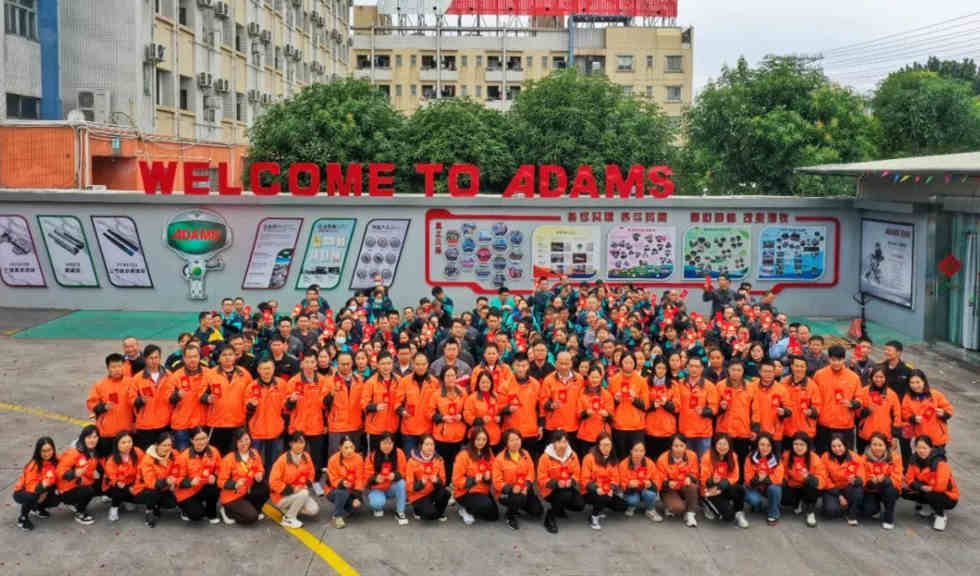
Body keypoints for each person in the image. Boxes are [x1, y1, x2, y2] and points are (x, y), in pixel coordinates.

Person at [286, 354, 331, 496]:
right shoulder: (293, 381)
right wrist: (291, 400)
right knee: (298, 457)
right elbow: (286, 407)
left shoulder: (323, 381)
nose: (310, 365)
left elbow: (326, 406)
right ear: (302, 364)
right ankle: (298, 482)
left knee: (316, 457)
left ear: (316, 364)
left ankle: (316, 482)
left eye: (312, 362)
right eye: (307, 362)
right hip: (299, 426)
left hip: (317, 425)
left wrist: (326, 423)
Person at [902, 435, 959, 531]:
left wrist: (928, 488)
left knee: (932, 494)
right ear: (915, 448)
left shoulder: (940, 462)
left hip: (947, 496)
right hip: (926, 488)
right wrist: (921, 487)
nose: (921, 450)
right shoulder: (913, 459)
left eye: (924, 448)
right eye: (919, 447)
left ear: (931, 448)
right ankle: (928, 506)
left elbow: (941, 486)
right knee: (904, 492)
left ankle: (941, 515)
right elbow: (909, 479)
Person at [204, 344, 253, 454]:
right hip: (217, 423)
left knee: (236, 456)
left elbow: (251, 394)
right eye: (224, 355)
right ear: (219, 358)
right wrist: (207, 398)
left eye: (230, 354)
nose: (227, 357)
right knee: (215, 455)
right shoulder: (210, 374)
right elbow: (201, 394)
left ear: (235, 357)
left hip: (238, 422)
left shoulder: (244, 374)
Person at [813, 345, 862, 453]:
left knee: (846, 456)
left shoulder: (853, 377)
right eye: (833, 360)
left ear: (844, 359)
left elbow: (859, 398)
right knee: (823, 455)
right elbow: (813, 397)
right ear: (828, 359)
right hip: (824, 423)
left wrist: (854, 403)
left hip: (845, 425)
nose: (836, 363)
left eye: (839, 360)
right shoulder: (819, 375)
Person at [492, 429, 544, 530]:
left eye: (517, 439)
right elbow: (497, 482)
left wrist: (526, 486)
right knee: (518, 498)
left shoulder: (525, 454)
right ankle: (510, 515)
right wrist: (511, 488)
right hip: (507, 493)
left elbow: (531, 472)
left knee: (538, 511)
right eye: (511, 440)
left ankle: (518, 505)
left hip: (524, 488)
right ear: (506, 443)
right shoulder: (499, 459)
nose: (515, 442)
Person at [217, 428, 269, 525]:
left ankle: (254, 509)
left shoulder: (254, 453)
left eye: (246, 439)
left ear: (250, 440)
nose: (244, 443)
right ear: (235, 443)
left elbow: (260, 469)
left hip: (247, 492)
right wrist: (234, 484)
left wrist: (260, 474)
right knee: (251, 517)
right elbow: (220, 482)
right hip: (233, 496)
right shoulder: (229, 459)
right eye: (240, 441)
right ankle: (226, 511)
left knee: (264, 487)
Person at [87, 353, 135, 457]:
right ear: (108, 368)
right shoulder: (100, 385)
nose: (117, 370)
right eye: (113, 367)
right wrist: (103, 407)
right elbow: (91, 403)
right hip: (107, 433)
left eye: (119, 366)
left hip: (126, 431)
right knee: (106, 460)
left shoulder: (131, 383)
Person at [537, 430, 585, 534]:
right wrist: (556, 483)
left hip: (567, 486)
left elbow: (577, 473)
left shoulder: (573, 455)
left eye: (564, 442)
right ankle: (549, 518)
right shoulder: (545, 457)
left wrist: (572, 481)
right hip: (550, 490)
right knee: (565, 495)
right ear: (553, 443)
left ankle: (559, 508)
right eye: (559, 442)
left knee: (580, 505)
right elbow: (541, 478)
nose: (562, 445)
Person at [269, 432, 320, 529]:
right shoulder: (282, 460)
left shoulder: (306, 456)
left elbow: (311, 474)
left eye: (302, 442)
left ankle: (288, 510)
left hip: (299, 492)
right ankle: (288, 518)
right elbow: (273, 482)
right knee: (304, 493)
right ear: (290, 444)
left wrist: (306, 484)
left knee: (314, 510)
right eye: (296, 442)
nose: (299, 445)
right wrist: (292, 489)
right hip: (281, 496)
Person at [129, 345, 174, 450]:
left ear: (160, 358)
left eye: (156, 357)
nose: (154, 361)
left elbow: (173, 397)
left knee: (164, 452)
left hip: (165, 423)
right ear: (145, 359)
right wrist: (140, 400)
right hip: (146, 425)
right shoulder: (137, 378)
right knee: (147, 453)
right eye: (151, 358)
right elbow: (131, 399)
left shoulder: (169, 375)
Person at [173, 426, 221, 523]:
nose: (202, 442)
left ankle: (211, 513)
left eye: (204, 438)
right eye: (198, 439)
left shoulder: (214, 451)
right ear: (191, 440)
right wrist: (190, 482)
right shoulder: (183, 456)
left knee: (214, 488)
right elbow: (176, 479)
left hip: (203, 486)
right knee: (197, 515)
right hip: (187, 491)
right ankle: (185, 509)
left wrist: (215, 476)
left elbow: (220, 470)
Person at [539, 351, 582, 457]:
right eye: (561, 363)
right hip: (554, 425)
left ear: (571, 363)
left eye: (566, 363)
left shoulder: (579, 379)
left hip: (572, 425)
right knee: (552, 456)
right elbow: (543, 400)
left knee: (571, 457)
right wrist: (551, 405)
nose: (563, 367)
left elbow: (582, 400)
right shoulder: (548, 380)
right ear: (556, 364)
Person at [56, 424, 101, 525]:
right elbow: (59, 472)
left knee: (100, 483)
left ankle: (76, 502)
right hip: (66, 489)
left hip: (79, 483)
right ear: (83, 438)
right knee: (89, 491)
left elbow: (86, 469)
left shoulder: (92, 452)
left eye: (95, 437)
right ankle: (80, 512)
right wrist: (74, 473)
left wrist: (93, 473)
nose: (92, 440)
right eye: (89, 437)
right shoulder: (74, 453)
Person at [580, 433, 627, 530]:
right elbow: (584, 480)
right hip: (590, 491)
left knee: (622, 506)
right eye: (603, 445)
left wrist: (612, 488)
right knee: (603, 496)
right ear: (598, 445)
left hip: (607, 489)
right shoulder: (589, 458)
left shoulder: (613, 459)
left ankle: (600, 507)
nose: (606, 448)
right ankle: (594, 516)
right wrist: (597, 488)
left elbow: (616, 479)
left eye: (608, 445)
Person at [429, 365, 468, 482]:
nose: (450, 378)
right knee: (443, 464)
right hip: (442, 436)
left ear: (456, 377)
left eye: (452, 375)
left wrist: (461, 416)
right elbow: (430, 412)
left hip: (458, 435)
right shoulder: (436, 394)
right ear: (443, 378)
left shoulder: (463, 393)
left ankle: (453, 485)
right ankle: (443, 485)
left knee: (456, 464)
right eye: (447, 376)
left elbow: (468, 410)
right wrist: (442, 417)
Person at [700, 434, 748, 528]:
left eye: (725, 444)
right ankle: (705, 503)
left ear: (729, 445)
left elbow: (735, 476)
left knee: (739, 489)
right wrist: (712, 481)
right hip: (710, 490)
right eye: (719, 444)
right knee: (728, 517)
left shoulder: (733, 456)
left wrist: (723, 483)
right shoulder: (707, 456)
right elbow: (703, 479)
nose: (722, 447)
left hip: (724, 486)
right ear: (714, 445)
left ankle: (739, 512)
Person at [452, 427, 498, 525]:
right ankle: (466, 510)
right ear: (472, 439)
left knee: (493, 516)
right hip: (465, 492)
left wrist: (489, 477)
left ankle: (477, 506)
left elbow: (495, 471)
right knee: (486, 505)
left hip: (483, 490)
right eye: (478, 439)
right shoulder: (463, 455)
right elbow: (456, 480)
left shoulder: (488, 452)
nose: (481, 442)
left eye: (484, 439)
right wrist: (473, 480)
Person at [715, 359, 752, 478]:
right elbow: (714, 409)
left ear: (743, 371)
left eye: (739, 370)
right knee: (725, 460)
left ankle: (740, 483)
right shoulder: (720, 386)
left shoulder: (750, 387)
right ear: (728, 370)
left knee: (741, 460)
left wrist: (754, 428)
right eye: (733, 369)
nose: (736, 372)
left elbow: (755, 410)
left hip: (743, 431)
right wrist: (721, 408)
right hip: (725, 431)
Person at [13, 437, 60, 531]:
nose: (47, 453)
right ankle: (23, 518)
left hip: (42, 490)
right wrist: (42, 487)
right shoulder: (34, 465)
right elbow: (30, 487)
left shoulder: (55, 460)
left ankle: (37, 508)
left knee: (56, 499)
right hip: (22, 491)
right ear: (38, 451)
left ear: (53, 449)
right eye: (43, 451)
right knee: (32, 496)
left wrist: (45, 491)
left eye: (49, 450)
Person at [135, 431, 181, 527]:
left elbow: (179, 470)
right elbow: (150, 483)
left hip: (165, 487)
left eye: (169, 445)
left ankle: (156, 505)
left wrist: (174, 482)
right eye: (164, 445)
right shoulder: (148, 459)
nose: (167, 448)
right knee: (152, 492)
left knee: (172, 503)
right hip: (144, 489)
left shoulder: (174, 453)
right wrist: (166, 481)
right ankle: (149, 510)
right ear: (157, 445)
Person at [675, 357, 718, 458]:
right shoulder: (680, 384)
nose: (694, 369)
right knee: (687, 462)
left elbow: (714, 409)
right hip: (685, 431)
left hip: (703, 433)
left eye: (697, 366)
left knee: (703, 461)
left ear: (702, 368)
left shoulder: (709, 386)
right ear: (687, 367)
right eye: (691, 366)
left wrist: (704, 411)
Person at [503, 353, 544, 461]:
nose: (520, 369)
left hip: (531, 430)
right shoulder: (505, 384)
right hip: (511, 432)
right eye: (518, 365)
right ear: (513, 366)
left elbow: (540, 407)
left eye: (524, 365)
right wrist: (508, 409)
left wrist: (540, 426)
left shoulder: (535, 384)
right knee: (511, 463)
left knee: (529, 462)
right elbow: (499, 408)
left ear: (528, 366)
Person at [901, 369, 953, 454]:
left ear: (924, 381)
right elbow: (905, 413)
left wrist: (943, 413)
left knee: (937, 461)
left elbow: (949, 409)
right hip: (921, 438)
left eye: (918, 382)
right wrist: (913, 418)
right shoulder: (908, 398)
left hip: (937, 438)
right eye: (912, 382)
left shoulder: (935, 394)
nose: (915, 385)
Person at [168, 344, 208, 451]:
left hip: (201, 422)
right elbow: (169, 399)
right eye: (189, 357)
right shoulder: (176, 376)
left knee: (201, 454)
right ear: (184, 358)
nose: (192, 360)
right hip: (181, 424)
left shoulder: (209, 373)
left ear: (199, 357)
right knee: (183, 455)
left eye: (195, 356)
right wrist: (177, 395)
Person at [609, 353, 649, 458]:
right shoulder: (613, 380)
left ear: (635, 363)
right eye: (626, 362)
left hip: (637, 427)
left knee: (636, 458)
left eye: (631, 362)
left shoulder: (641, 381)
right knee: (621, 457)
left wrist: (634, 399)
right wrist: (616, 400)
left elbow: (646, 405)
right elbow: (608, 404)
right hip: (619, 426)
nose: (628, 365)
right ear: (621, 363)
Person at [780, 432, 825, 528]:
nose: (798, 447)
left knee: (812, 484)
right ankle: (797, 502)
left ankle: (810, 512)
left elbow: (821, 476)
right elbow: (783, 471)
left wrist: (811, 478)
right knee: (784, 498)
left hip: (808, 486)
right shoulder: (787, 455)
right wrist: (784, 480)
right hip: (793, 485)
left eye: (802, 444)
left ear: (807, 446)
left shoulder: (814, 457)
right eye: (796, 444)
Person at [398, 352, 439, 456]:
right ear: (412, 364)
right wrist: (402, 411)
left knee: (426, 460)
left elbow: (438, 404)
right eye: (417, 364)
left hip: (427, 429)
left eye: (423, 364)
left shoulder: (434, 382)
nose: (421, 367)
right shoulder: (404, 381)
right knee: (409, 459)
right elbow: (397, 402)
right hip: (409, 430)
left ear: (428, 364)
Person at [364, 432, 408, 525]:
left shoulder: (399, 453)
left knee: (401, 483)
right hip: (378, 488)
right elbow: (366, 477)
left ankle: (400, 511)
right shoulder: (371, 456)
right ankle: (378, 508)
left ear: (393, 444)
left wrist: (395, 475)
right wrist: (375, 479)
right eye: (384, 443)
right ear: (379, 443)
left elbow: (404, 472)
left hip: (392, 486)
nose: (387, 446)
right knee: (377, 503)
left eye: (390, 443)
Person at [326, 352, 366, 458]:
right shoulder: (329, 381)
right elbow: (323, 404)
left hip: (355, 426)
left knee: (354, 459)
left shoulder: (359, 380)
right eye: (342, 364)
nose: (345, 366)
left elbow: (364, 403)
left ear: (352, 363)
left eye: (348, 364)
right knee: (336, 458)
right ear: (337, 364)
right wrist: (331, 394)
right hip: (337, 427)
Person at [861, 432, 903, 530]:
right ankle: (876, 508)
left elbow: (898, 477)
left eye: (880, 445)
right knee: (869, 510)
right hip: (872, 489)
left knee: (890, 488)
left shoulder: (895, 457)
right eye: (874, 444)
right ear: (870, 445)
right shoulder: (864, 458)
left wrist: (884, 479)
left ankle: (889, 516)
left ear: (886, 446)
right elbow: (862, 476)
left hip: (889, 487)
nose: (877, 448)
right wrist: (871, 481)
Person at [656, 434, 700, 528]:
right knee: (677, 508)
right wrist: (668, 483)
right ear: (671, 447)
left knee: (693, 487)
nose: (679, 449)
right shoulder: (662, 459)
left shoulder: (692, 455)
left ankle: (690, 514)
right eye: (676, 446)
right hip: (669, 489)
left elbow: (695, 473)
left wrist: (690, 478)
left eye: (681, 446)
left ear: (686, 446)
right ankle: (672, 505)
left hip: (684, 485)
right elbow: (659, 479)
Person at [820, 434, 864, 526]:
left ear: (845, 445)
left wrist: (856, 480)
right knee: (830, 511)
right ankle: (844, 507)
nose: (837, 449)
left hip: (848, 488)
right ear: (830, 447)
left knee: (858, 488)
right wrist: (839, 496)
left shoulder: (855, 457)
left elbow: (862, 477)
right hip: (832, 489)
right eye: (833, 446)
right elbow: (824, 478)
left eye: (840, 446)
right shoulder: (825, 457)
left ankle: (852, 514)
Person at [856, 367, 902, 454]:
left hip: (885, 435)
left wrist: (895, 437)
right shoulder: (864, 391)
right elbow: (857, 413)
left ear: (886, 378)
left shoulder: (892, 394)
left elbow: (897, 416)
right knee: (862, 458)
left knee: (884, 459)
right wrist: (867, 410)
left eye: (881, 377)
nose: (878, 379)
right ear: (871, 377)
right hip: (866, 434)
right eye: (876, 377)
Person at [362, 352, 402, 451]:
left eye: (388, 363)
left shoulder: (399, 380)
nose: (386, 367)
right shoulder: (370, 382)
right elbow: (363, 404)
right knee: (374, 456)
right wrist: (375, 407)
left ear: (392, 364)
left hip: (393, 427)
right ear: (378, 365)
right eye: (383, 364)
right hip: (375, 429)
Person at [406, 434, 450, 522]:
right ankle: (418, 510)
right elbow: (409, 486)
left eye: (432, 444)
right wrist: (421, 483)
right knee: (430, 515)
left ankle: (438, 512)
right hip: (418, 495)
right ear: (421, 446)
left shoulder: (439, 459)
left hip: (431, 491)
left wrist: (437, 481)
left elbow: (443, 481)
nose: (430, 447)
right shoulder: (412, 461)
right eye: (426, 444)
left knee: (446, 493)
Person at [750, 360, 790, 456]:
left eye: (770, 371)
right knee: (754, 460)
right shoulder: (751, 387)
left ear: (774, 372)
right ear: (759, 372)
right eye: (765, 371)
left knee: (774, 461)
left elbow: (789, 409)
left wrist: (784, 412)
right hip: (756, 432)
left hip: (775, 434)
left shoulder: (781, 389)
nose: (768, 374)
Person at [743, 433, 784, 526]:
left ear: (772, 446)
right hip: (754, 487)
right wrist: (757, 478)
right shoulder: (750, 457)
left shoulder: (776, 459)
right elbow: (747, 479)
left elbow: (778, 479)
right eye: (762, 444)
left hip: (769, 488)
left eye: (768, 445)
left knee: (775, 488)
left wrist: (765, 478)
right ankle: (759, 505)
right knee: (753, 499)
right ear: (757, 445)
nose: (765, 448)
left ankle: (773, 513)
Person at [618, 440, 663, 523]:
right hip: (631, 491)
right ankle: (632, 506)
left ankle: (650, 510)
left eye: (641, 451)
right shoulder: (623, 464)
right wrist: (628, 485)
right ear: (631, 451)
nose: (638, 453)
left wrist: (651, 484)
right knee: (632, 500)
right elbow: (621, 484)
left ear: (644, 452)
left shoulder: (650, 463)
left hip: (645, 490)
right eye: (635, 450)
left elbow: (657, 481)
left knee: (650, 494)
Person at [780, 355, 822, 444]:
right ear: (792, 366)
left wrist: (811, 412)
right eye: (797, 366)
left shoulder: (812, 386)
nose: (799, 369)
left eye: (802, 366)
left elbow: (818, 407)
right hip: (786, 430)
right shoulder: (783, 383)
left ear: (806, 368)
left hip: (806, 431)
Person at [103, 431, 143, 523]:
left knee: (140, 494)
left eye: (129, 441)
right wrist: (127, 488)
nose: (127, 445)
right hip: (116, 485)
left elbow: (142, 469)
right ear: (117, 445)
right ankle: (114, 507)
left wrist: (136, 485)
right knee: (118, 489)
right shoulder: (112, 460)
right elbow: (114, 480)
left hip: (133, 483)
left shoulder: (137, 451)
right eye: (123, 442)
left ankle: (125, 500)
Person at [325, 435, 364, 529]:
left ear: (355, 447)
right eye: (346, 448)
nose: (349, 450)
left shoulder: (359, 459)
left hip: (351, 491)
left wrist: (357, 497)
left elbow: (359, 479)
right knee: (342, 491)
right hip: (334, 490)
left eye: (351, 447)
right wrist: (342, 483)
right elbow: (332, 479)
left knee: (357, 506)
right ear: (340, 447)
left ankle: (343, 509)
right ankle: (337, 516)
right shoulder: (333, 460)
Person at [644, 356, 677, 462]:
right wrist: (652, 405)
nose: (661, 370)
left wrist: (666, 404)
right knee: (651, 460)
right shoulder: (646, 382)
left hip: (667, 429)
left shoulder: (672, 384)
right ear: (654, 368)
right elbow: (642, 404)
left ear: (667, 369)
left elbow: (677, 407)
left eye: (663, 368)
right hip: (650, 428)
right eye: (659, 367)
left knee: (665, 460)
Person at [577, 363, 614, 456]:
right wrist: (586, 412)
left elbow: (612, 417)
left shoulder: (606, 394)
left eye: (597, 377)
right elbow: (578, 414)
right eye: (592, 377)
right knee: (586, 459)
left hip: (602, 434)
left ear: (601, 377)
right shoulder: (582, 392)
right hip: (586, 434)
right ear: (588, 377)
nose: (594, 380)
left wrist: (606, 414)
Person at [464, 371, 503, 449]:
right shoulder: (472, 398)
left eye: (488, 382)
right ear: (478, 383)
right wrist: (481, 420)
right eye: (483, 382)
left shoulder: (496, 396)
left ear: (491, 383)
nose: (485, 385)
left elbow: (501, 411)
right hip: (478, 437)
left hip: (495, 436)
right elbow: (467, 415)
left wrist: (499, 418)